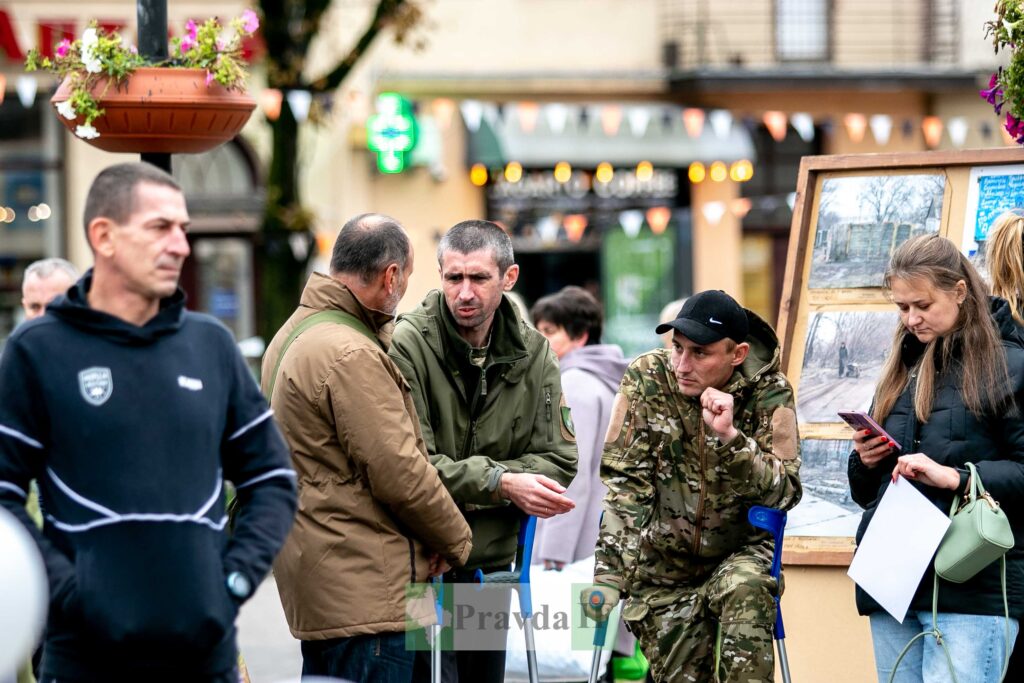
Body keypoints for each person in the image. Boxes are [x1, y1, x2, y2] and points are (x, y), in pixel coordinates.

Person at [0, 162, 298, 683]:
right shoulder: (37, 350)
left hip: (203, 657)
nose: (181, 244)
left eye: (182, 228)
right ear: (105, 236)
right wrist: (69, 592)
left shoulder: (211, 345)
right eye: (160, 227)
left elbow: (272, 479)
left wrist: (231, 579)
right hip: (84, 659)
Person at [265, 213, 473, 682]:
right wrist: (455, 541)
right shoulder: (351, 352)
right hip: (370, 593)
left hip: (330, 581)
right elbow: (399, 471)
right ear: (391, 275)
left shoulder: (295, 335)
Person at [389, 219, 578, 683]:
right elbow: (413, 466)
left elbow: (559, 459)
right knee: (426, 677)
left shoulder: (535, 352)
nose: (465, 292)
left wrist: (491, 483)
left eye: (479, 278)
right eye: (454, 278)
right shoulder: (407, 343)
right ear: (440, 274)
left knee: (479, 678)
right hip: (421, 559)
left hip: (488, 563)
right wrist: (504, 483)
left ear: (508, 278)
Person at [582, 289, 802, 683]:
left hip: (740, 552)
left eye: (699, 353)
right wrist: (609, 577)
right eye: (677, 347)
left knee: (747, 589)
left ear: (737, 355)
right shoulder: (647, 378)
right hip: (662, 564)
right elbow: (625, 484)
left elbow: (785, 491)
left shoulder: (770, 392)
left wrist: (731, 439)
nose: (682, 364)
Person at [848, 234, 1024, 683]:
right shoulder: (901, 367)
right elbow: (865, 493)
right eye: (902, 308)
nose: (911, 319)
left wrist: (959, 478)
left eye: (921, 305)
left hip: (973, 583)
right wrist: (866, 461)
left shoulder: (1010, 364)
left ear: (960, 292)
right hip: (894, 577)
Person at [530, 286, 635, 682]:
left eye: (550, 330)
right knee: (595, 654)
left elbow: (571, 476)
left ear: (579, 335)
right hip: (602, 538)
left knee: (572, 659)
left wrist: (552, 553)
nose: (541, 339)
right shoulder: (606, 379)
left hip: (575, 544)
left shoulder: (573, 383)